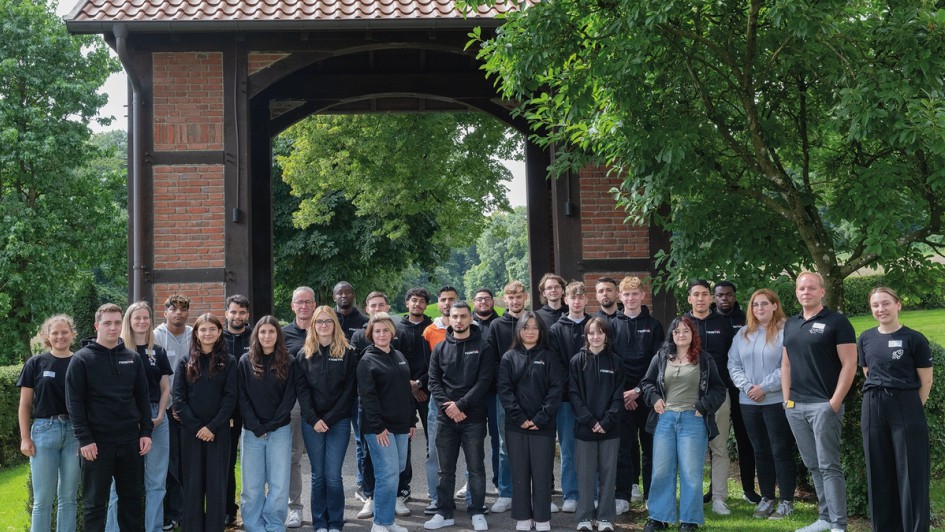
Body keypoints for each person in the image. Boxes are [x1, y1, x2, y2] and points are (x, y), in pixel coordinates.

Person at [66, 303, 153, 531]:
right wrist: (85, 439)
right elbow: (74, 403)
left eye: (116, 322)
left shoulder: (132, 358)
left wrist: (145, 432)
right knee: (94, 504)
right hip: (96, 444)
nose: (113, 328)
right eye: (107, 323)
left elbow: (142, 398)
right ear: (97, 325)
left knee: (132, 501)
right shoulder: (81, 359)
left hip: (130, 442)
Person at [782, 271, 857, 532]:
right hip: (796, 406)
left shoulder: (837, 322)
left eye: (811, 288)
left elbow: (850, 364)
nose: (806, 292)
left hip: (824, 405)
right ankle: (825, 518)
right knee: (813, 465)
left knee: (829, 466)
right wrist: (786, 400)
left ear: (822, 291)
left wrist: (834, 402)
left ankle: (838, 524)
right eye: (802, 288)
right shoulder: (791, 324)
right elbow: (786, 363)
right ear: (796, 293)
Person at [858, 287, 933, 532]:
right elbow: (868, 372)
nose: (881, 309)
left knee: (910, 470)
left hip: (906, 406)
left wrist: (909, 408)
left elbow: (926, 381)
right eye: (876, 305)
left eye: (886, 303)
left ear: (898, 305)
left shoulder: (914, 339)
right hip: (873, 406)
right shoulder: (866, 338)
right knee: (878, 469)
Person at [641, 317, 726, 532]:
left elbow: (718, 389)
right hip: (665, 420)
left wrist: (704, 405)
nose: (681, 334)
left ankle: (689, 520)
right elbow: (647, 383)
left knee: (690, 472)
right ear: (671, 334)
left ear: (693, 334)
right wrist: (654, 399)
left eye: (686, 331)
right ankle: (659, 517)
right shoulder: (661, 357)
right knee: (661, 471)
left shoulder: (704, 360)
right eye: (676, 331)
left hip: (693, 420)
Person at [424, 301, 495, 531]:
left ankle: (476, 511)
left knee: (475, 468)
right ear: (449, 319)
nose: (459, 321)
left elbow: (484, 381)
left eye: (463, 316)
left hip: (472, 418)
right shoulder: (440, 348)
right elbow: (433, 381)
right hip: (446, 419)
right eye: (455, 316)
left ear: (470, 318)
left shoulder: (483, 347)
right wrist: (449, 407)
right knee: (446, 469)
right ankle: (445, 512)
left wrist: (462, 405)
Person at [727, 289, 796, 520]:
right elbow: (733, 364)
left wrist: (763, 388)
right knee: (760, 450)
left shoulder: (787, 331)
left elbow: (787, 366)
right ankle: (767, 498)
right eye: (755, 305)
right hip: (748, 402)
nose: (760, 309)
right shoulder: (744, 333)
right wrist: (747, 387)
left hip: (775, 400)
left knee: (780, 450)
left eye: (764, 304)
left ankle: (786, 501)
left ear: (775, 305)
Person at [105, 302, 174, 532]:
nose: (142, 322)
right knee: (120, 484)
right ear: (129, 321)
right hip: (127, 421)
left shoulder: (159, 351)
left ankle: (153, 528)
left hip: (157, 419)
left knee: (156, 483)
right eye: (137, 318)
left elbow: (166, 388)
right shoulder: (118, 351)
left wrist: (162, 414)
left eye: (146, 318)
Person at [497, 311, 565, 532]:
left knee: (542, 470)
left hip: (542, 425)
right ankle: (523, 516)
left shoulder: (550, 357)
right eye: (526, 327)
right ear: (519, 330)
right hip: (515, 425)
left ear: (541, 331)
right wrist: (520, 418)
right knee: (519, 470)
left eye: (535, 327)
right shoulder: (509, 357)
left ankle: (543, 517)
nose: (530, 331)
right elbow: (504, 391)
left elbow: (556, 390)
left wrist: (540, 418)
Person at [173, 313, 237, 532]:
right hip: (191, 433)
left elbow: (231, 398)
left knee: (216, 485)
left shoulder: (229, 361)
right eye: (203, 329)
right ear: (196, 333)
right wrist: (197, 427)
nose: (208, 333)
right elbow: (179, 399)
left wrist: (212, 427)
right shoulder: (185, 362)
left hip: (219, 433)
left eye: (212, 329)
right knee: (193, 485)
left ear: (219, 332)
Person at [297, 306, 359, 532]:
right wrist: (314, 419)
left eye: (328, 321)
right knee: (317, 475)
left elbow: (349, 391)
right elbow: (302, 390)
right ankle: (319, 523)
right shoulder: (304, 354)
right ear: (312, 325)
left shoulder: (348, 352)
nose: (324, 325)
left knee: (332, 475)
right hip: (311, 422)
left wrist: (331, 418)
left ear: (335, 324)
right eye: (319, 322)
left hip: (339, 421)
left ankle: (335, 522)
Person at [683, 280, 741, 514]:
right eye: (695, 295)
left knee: (719, 448)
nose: (700, 299)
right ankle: (693, 496)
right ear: (689, 299)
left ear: (710, 298)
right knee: (691, 449)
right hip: (689, 396)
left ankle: (719, 497)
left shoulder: (723, 324)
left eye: (704, 294)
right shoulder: (682, 324)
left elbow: (733, 357)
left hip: (719, 394)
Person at [18, 315, 80, 532]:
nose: (60, 336)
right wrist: (25, 437)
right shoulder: (35, 363)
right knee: (43, 500)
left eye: (64, 332)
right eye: (55, 333)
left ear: (72, 334)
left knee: (68, 498)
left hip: (75, 433)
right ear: (47, 336)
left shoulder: (81, 361)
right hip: (44, 431)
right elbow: (25, 405)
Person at [357, 312, 418, 532]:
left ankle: (388, 521)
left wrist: (412, 420)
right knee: (387, 472)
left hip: (401, 425)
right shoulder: (367, 360)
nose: (381, 334)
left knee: (398, 468)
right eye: (377, 331)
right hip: (379, 428)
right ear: (371, 334)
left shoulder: (399, 355)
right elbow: (368, 398)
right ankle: (380, 523)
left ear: (392, 332)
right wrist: (378, 427)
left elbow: (406, 391)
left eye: (385, 330)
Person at [238, 316, 298, 532]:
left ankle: (274, 524)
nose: (267, 336)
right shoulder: (245, 361)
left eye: (271, 332)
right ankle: (253, 524)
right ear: (256, 335)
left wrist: (273, 424)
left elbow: (290, 396)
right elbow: (241, 396)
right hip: (252, 431)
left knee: (279, 484)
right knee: (252, 485)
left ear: (278, 335)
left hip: (279, 430)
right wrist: (256, 426)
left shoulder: (289, 361)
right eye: (262, 332)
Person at [612, 276, 665, 513]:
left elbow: (658, 364)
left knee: (650, 446)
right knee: (623, 447)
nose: (631, 298)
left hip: (647, 396)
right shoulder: (611, 325)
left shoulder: (654, 326)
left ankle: (650, 495)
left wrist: (638, 391)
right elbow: (610, 362)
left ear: (643, 296)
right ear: (620, 297)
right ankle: (623, 494)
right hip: (621, 396)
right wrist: (625, 393)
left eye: (635, 294)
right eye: (626, 294)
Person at [569, 317, 624, 532]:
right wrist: (591, 421)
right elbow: (573, 395)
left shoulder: (616, 362)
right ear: (586, 336)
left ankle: (605, 518)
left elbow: (618, 396)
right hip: (585, 429)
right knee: (585, 474)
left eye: (600, 333)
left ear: (607, 336)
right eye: (591, 333)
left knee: (609, 476)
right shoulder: (576, 361)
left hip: (610, 430)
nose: (595, 336)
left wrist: (606, 421)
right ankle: (583, 517)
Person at [710, 281, 758, 505]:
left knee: (745, 438)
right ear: (714, 297)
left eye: (728, 295)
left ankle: (749, 489)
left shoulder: (746, 319)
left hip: (743, 388)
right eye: (720, 295)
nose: (724, 299)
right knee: (716, 440)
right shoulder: (710, 320)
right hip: (717, 389)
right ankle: (714, 489)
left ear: (734, 295)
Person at [486, 280, 529, 514]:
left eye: (519, 296)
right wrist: (505, 385)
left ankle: (534, 492)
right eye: (510, 297)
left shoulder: (533, 322)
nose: (515, 301)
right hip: (505, 394)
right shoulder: (496, 325)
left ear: (526, 297)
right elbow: (491, 360)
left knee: (533, 445)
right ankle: (506, 492)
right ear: (505, 299)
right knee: (505, 446)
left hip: (532, 394)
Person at [548, 281, 591, 513]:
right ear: (566, 300)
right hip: (566, 398)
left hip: (592, 397)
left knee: (591, 446)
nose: (576, 301)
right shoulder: (556, 329)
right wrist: (573, 385)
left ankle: (591, 494)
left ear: (586, 300)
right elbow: (555, 363)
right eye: (572, 297)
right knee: (568, 447)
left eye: (580, 297)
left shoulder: (594, 325)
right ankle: (571, 495)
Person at [154, 295, 192, 531]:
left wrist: (183, 405)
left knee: (187, 462)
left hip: (188, 408)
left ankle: (186, 511)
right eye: (173, 309)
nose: (178, 313)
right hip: (164, 409)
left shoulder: (194, 334)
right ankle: (171, 513)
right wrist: (169, 406)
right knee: (168, 464)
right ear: (165, 312)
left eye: (183, 309)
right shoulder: (156, 336)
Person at [420, 286, 457, 515]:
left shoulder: (471, 331)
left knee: (469, 451)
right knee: (434, 450)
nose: (447, 303)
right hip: (438, 400)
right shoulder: (430, 331)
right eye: (443, 300)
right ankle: (435, 497)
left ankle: (471, 496)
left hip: (464, 400)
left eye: (451, 299)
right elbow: (429, 370)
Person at [283, 286, 317, 529]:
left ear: (314, 305)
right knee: (293, 457)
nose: (303, 306)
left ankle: (323, 507)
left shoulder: (324, 329)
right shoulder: (282, 334)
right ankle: (294, 507)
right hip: (294, 403)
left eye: (308, 302)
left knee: (320, 461)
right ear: (293, 306)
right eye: (299, 302)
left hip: (321, 403)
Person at [222, 294, 251, 526]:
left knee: (253, 463)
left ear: (247, 315)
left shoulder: (257, 336)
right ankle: (229, 510)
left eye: (241, 313)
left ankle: (254, 509)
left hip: (253, 408)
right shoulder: (217, 338)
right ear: (226, 313)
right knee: (228, 462)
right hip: (227, 411)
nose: (237, 316)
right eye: (233, 312)